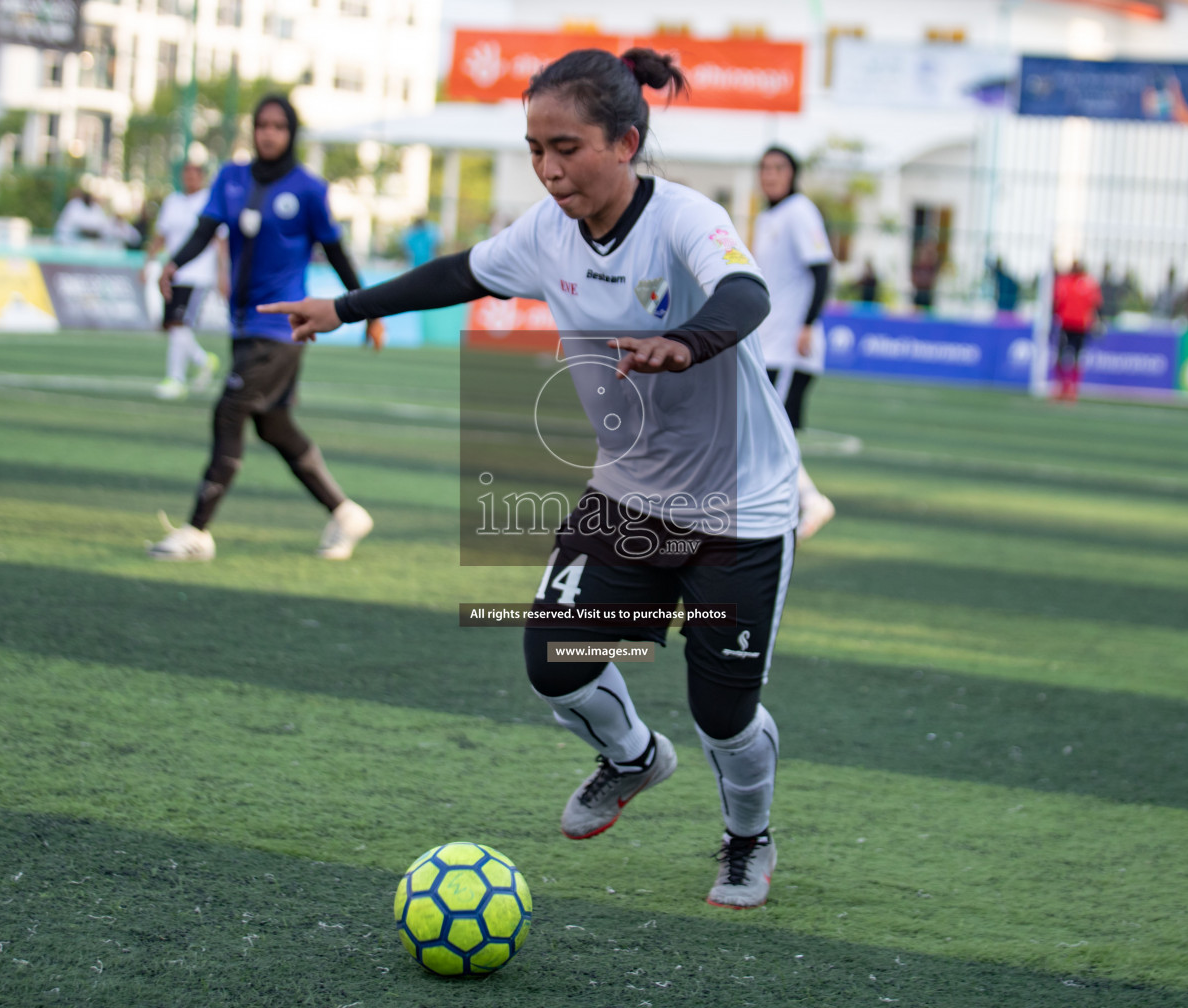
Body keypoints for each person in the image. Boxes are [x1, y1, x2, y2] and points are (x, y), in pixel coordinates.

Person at [264, 48, 799, 908]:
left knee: (724, 718)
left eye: (567, 147)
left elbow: (746, 295)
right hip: (627, 494)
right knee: (556, 661)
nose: (549, 170)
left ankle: (747, 839)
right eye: (535, 149)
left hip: (739, 507)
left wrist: (686, 340)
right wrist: (345, 306)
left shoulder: (685, 219)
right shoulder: (548, 233)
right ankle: (632, 758)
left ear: (626, 142)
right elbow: (459, 272)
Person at [148, 94, 384, 562]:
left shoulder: (309, 189)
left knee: (229, 412)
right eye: (262, 125)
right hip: (242, 325)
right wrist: (173, 263)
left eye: (278, 126)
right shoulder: (232, 178)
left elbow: (337, 254)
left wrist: (367, 310)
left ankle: (198, 530)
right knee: (274, 427)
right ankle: (344, 511)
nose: (269, 133)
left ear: (291, 133)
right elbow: (205, 229)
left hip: (281, 329)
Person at [753, 145, 836, 541]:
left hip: (790, 348)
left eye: (779, 167)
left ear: (793, 173)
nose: (770, 175)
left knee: (773, 432)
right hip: (767, 345)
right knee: (763, 431)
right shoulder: (769, 216)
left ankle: (807, 500)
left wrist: (806, 325)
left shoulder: (800, 211)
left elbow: (822, 271)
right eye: (765, 168)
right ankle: (789, 505)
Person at [146, 160, 222, 401]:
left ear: (202, 177)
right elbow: (161, 235)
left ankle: (176, 378)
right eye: (185, 174)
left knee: (179, 323)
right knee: (172, 325)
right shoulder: (173, 202)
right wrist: (148, 261)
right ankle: (202, 360)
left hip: (198, 275)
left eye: (194, 174)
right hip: (174, 272)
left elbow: (219, 241)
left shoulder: (210, 202)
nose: (189, 178)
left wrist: (223, 274)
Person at [1052, 259, 1101, 402]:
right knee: (1061, 356)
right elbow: (1056, 303)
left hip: (1081, 326)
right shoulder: (1064, 282)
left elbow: (1096, 305)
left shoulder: (1088, 283)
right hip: (1065, 324)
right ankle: (1061, 387)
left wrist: (1098, 322)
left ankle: (1072, 389)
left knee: (1077, 357)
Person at [910, 241, 939, 310]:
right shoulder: (917, 266)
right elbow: (914, 280)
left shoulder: (932, 267)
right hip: (918, 295)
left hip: (928, 295)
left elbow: (933, 281)